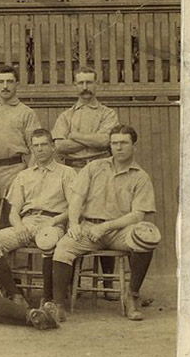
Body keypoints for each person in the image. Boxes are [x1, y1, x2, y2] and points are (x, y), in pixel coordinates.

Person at [50, 125, 159, 322]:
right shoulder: (94, 167)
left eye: (124, 143)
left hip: (120, 232)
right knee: (63, 247)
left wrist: (106, 227)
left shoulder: (141, 177)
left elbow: (137, 216)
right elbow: (77, 199)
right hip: (89, 228)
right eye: (115, 143)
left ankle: (132, 295)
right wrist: (74, 223)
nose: (119, 147)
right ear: (110, 146)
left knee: (146, 236)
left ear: (134, 146)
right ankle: (58, 305)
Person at [0, 129, 76, 303]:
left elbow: (73, 208)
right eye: (36, 146)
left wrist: (53, 222)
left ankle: (48, 299)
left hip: (53, 222)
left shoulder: (67, 173)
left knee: (47, 242)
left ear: (53, 147)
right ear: (31, 149)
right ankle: (14, 293)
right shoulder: (23, 175)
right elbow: (14, 211)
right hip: (26, 222)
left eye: (44, 145)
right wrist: (19, 227)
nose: (40, 149)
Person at [52, 67, 120, 289]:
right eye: (80, 83)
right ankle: (71, 284)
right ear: (75, 86)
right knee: (73, 220)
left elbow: (105, 142)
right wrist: (89, 141)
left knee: (101, 218)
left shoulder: (107, 114)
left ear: (96, 84)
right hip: (72, 171)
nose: (85, 88)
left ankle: (108, 286)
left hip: (101, 171)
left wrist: (75, 136)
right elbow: (60, 145)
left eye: (89, 83)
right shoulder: (66, 115)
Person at [0, 65, 41, 223]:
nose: (5, 86)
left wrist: (26, 176)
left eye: (9, 82)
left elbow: (35, 148)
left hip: (14, 172)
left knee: (7, 219)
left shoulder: (26, 113)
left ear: (17, 84)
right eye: (1, 82)